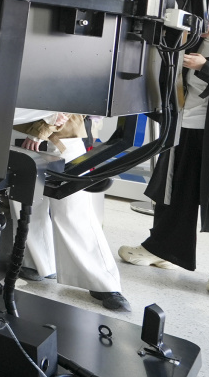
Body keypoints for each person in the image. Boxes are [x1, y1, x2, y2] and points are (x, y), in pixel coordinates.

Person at [120, 0, 209, 298]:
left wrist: (207, 67)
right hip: (185, 127)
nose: (198, 28)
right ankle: (163, 249)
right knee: (174, 191)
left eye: (204, 22)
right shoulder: (190, 40)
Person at [14, 113, 131, 312]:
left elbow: (70, 99)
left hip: (63, 135)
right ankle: (38, 262)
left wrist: (40, 130)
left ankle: (103, 282)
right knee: (26, 202)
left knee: (74, 211)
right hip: (18, 127)